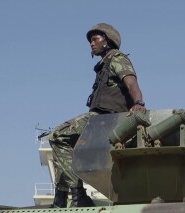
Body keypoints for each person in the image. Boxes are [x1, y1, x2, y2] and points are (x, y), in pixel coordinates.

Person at [49, 23, 146, 208]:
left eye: (95, 39)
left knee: (57, 135)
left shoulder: (117, 58)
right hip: (100, 119)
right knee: (63, 149)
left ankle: (78, 194)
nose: (91, 44)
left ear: (108, 40)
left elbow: (131, 82)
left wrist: (139, 103)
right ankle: (60, 198)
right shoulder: (103, 65)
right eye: (90, 41)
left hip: (107, 119)